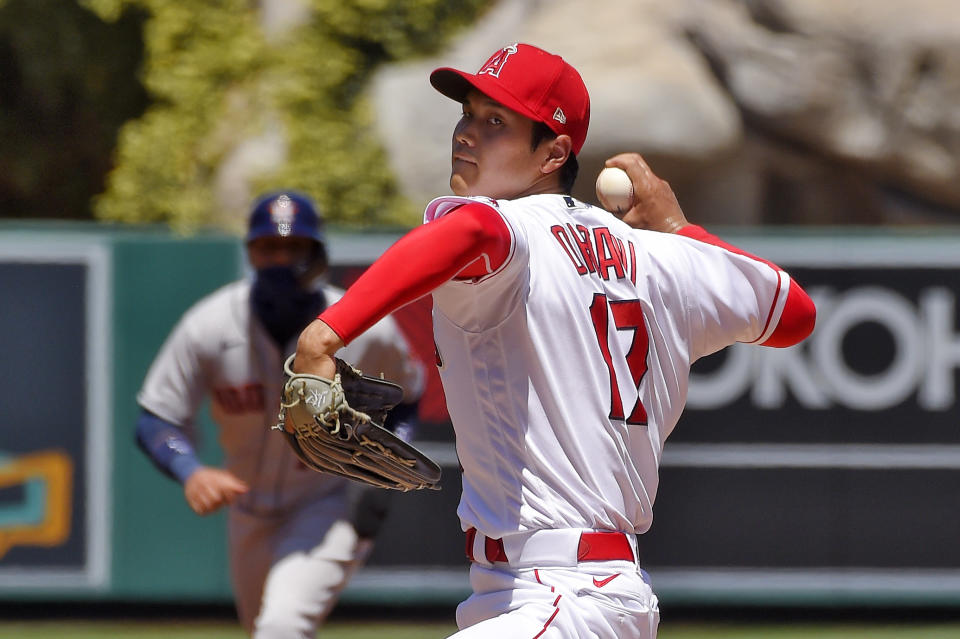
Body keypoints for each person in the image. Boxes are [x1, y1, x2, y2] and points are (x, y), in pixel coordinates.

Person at [288, 43, 817, 638]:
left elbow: (467, 230)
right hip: (544, 593)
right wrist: (681, 230)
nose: (466, 133)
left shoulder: (509, 227)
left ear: (555, 152)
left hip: (563, 595)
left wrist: (322, 336)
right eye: (467, 113)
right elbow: (793, 312)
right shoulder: (664, 258)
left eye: (497, 123)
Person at [134, 191, 425, 638]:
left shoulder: (362, 326)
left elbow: (410, 393)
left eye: (293, 247)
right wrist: (190, 471)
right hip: (247, 510)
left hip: (327, 501)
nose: (280, 260)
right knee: (264, 631)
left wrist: (382, 476)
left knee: (281, 627)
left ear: (317, 254)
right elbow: (156, 417)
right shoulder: (211, 325)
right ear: (250, 251)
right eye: (268, 248)